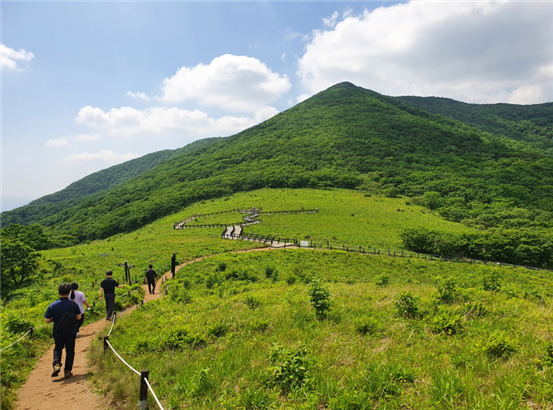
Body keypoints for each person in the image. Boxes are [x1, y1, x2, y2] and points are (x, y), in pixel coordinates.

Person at [44, 283, 82, 378]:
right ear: (69, 293)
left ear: (58, 293)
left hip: (58, 331)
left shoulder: (53, 305)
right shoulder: (73, 304)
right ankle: (67, 371)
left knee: (58, 348)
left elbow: (47, 320)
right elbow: (78, 317)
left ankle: (56, 364)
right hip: (71, 331)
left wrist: (55, 319)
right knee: (70, 351)